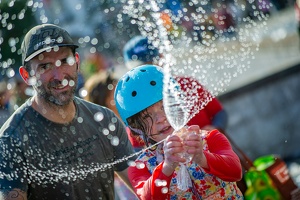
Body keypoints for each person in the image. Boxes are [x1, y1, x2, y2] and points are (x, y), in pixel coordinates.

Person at [0, 24, 136, 200]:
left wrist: (170, 164)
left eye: (65, 61)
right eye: (45, 66)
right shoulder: (11, 142)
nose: (59, 75)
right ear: (26, 75)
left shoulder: (105, 120)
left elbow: (142, 188)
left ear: (77, 61)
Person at [114, 64, 243, 199]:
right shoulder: (140, 167)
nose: (160, 119)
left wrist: (202, 158)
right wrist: (167, 167)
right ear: (136, 129)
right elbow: (148, 197)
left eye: (164, 107)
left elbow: (236, 172)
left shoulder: (210, 138)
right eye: (147, 117)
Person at [122, 35, 228, 149]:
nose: (146, 73)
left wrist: (214, 127)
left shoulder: (188, 84)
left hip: (212, 155)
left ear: (161, 59)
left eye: (150, 64)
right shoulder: (136, 107)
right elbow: (137, 148)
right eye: (140, 69)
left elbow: (219, 113)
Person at [83, 70, 138, 200]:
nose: (121, 96)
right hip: (130, 192)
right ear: (102, 101)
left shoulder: (131, 121)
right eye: (114, 93)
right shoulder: (102, 136)